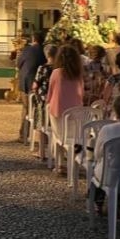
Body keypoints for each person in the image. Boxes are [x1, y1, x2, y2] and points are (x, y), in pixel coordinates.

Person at [46, 44, 84, 173]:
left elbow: (50, 93)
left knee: (58, 137)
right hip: (75, 113)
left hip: (58, 111)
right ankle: (74, 160)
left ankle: (60, 164)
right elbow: (81, 93)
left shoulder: (56, 73)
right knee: (73, 136)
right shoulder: (78, 74)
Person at [92, 96, 120, 201]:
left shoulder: (107, 129)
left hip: (109, 176)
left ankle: (98, 200)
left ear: (116, 112)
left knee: (96, 167)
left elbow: (98, 154)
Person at [17, 31, 47, 142]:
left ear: (33, 39)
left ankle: (23, 135)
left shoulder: (27, 49)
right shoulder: (44, 51)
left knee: (26, 108)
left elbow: (19, 64)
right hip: (39, 83)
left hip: (26, 81)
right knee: (38, 109)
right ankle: (39, 136)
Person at [31, 44, 58, 159]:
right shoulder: (59, 69)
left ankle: (41, 151)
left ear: (46, 54)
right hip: (55, 100)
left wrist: (34, 90)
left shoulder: (43, 68)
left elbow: (36, 84)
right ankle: (55, 151)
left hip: (43, 100)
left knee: (41, 125)